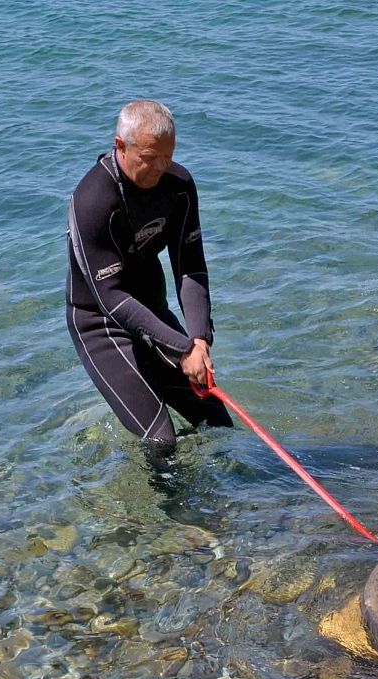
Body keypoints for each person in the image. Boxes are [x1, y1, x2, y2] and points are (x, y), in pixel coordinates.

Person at [66, 99, 232, 454]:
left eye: (168, 156)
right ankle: (162, 510)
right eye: (150, 157)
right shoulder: (92, 202)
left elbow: (190, 266)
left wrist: (199, 339)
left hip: (151, 312)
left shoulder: (179, 187)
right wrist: (180, 348)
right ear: (120, 146)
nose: (161, 166)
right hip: (101, 324)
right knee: (161, 440)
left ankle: (229, 503)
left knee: (217, 421)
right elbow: (109, 297)